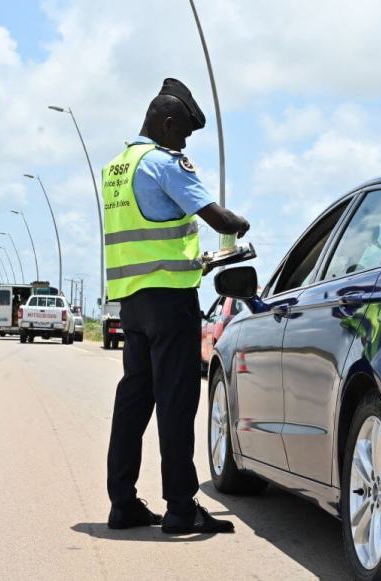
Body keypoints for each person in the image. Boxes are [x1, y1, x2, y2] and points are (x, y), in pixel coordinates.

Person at [104, 78, 250, 534]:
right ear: (167, 124)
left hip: (132, 304)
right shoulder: (164, 164)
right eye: (184, 132)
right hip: (170, 304)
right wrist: (240, 224)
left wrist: (196, 262)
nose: (186, 141)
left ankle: (122, 504)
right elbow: (219, 218)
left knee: (134, 398)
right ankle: (182, 508)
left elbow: (147, 236)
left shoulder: (116, 167)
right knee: (176, 401)